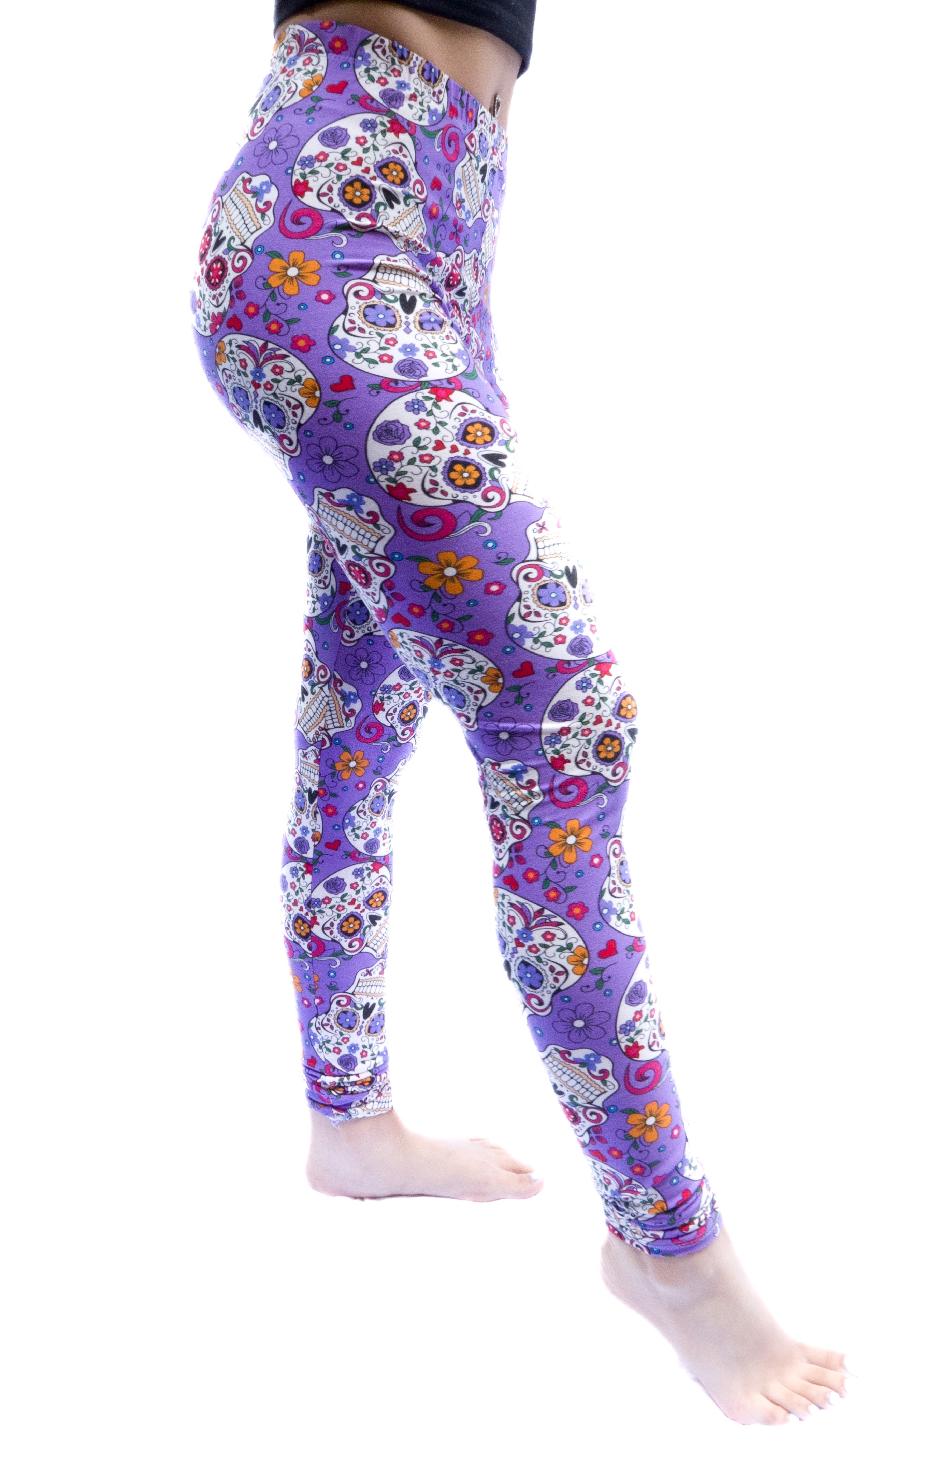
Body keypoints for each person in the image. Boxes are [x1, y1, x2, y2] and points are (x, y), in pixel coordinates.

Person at [189, 0, 849, 1425]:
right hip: (333, 221)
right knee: (565, 715)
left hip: (440, 228)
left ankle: (350, 1121)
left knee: (359, 706)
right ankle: (669, 1249)